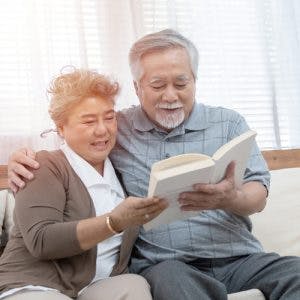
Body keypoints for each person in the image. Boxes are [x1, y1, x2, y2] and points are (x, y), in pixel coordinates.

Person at [8, 29, 300, 299]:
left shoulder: (229, 123)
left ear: (195, 80)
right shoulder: (118, 128)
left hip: (240, 257)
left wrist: (230, 197)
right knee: (174, 282)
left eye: (181, 83)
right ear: (137, 87)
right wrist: (22, 158)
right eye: (158, 85)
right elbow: (76, 136)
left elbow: (258, 197)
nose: (170, 96)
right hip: (166, 265)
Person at [0, 68, 168, 300]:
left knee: (134, 284)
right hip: (36, 286)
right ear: (61, 127)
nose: (102, 129)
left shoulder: (121, 167)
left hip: (92, 287)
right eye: (88, 121)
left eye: (109, 117)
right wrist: (113, 222)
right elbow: (41, 241)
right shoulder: (44, 165)